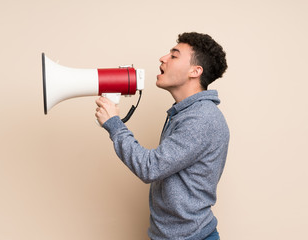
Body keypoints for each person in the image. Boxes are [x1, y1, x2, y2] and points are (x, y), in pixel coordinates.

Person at [95, 32, 229, 240]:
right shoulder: (185, 112)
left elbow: (150, 168)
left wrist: (115, 125)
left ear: (195, 71)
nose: (162, 58)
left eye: (174, 56)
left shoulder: (201, 119)